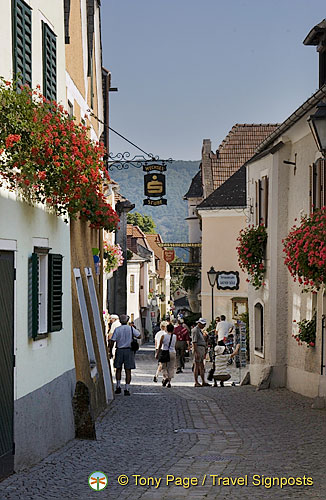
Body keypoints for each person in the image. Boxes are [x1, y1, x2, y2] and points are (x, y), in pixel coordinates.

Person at [109, 314, 140, 396]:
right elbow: (139, 335)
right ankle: (127, 388)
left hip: (119, 350)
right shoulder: (130, 328)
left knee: (118, 368)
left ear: (120, 321)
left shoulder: (117, 329)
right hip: (129, 350)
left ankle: (118, 386)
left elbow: (112, 340)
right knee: (128, 370)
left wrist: (110, 350)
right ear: (127, 321)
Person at [192, 318, 211, 387]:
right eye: (203, 324)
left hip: (201, 348)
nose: (204, 326)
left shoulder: (200, 330)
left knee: (202, 365)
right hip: (198, 348)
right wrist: (196, 352)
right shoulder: (195, 330)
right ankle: (196, 382)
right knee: (197, 365)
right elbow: (194, 342)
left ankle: (203, 381)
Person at [156, 323, 176, 388]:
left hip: (165, 352)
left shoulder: (163, 336)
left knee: (164, 367)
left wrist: (157, 353)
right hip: (173, 352)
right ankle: (169, 382)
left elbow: (160, 346)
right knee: (171, 367)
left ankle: (166, 377)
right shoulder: (175, 336)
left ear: (166, 329)